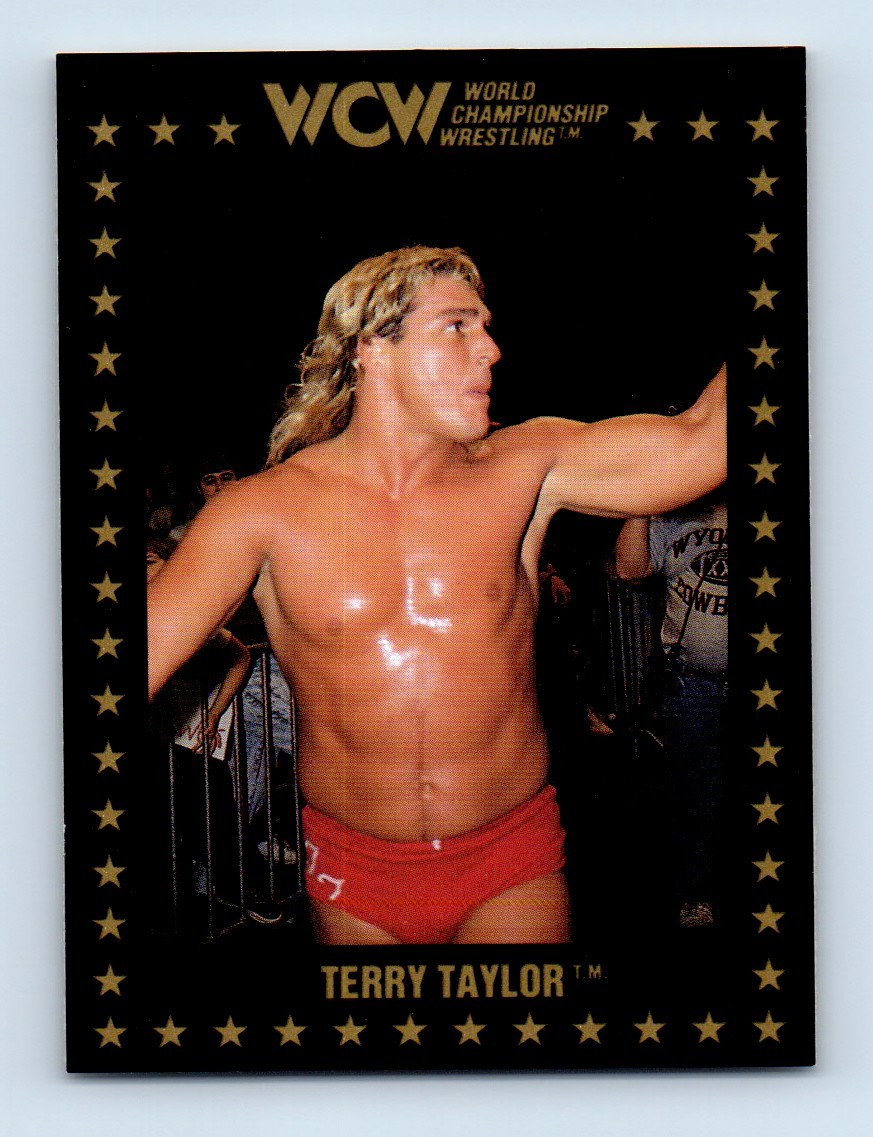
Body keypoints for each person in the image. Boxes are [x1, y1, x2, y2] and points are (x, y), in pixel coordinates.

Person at [148, 245, 726, 945]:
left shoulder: (524, 465)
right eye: (456, 325)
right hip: (355, 872)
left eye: (484, 326)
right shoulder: (259, 512)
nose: (490, 348)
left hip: (509, 859)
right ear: (371, 347)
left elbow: (701, 444)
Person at [613, 497, 728, 927]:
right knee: (696, 794)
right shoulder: (674, 513)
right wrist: (643, 500)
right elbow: (629, 570)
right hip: (693, 684)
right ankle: (697, 894)